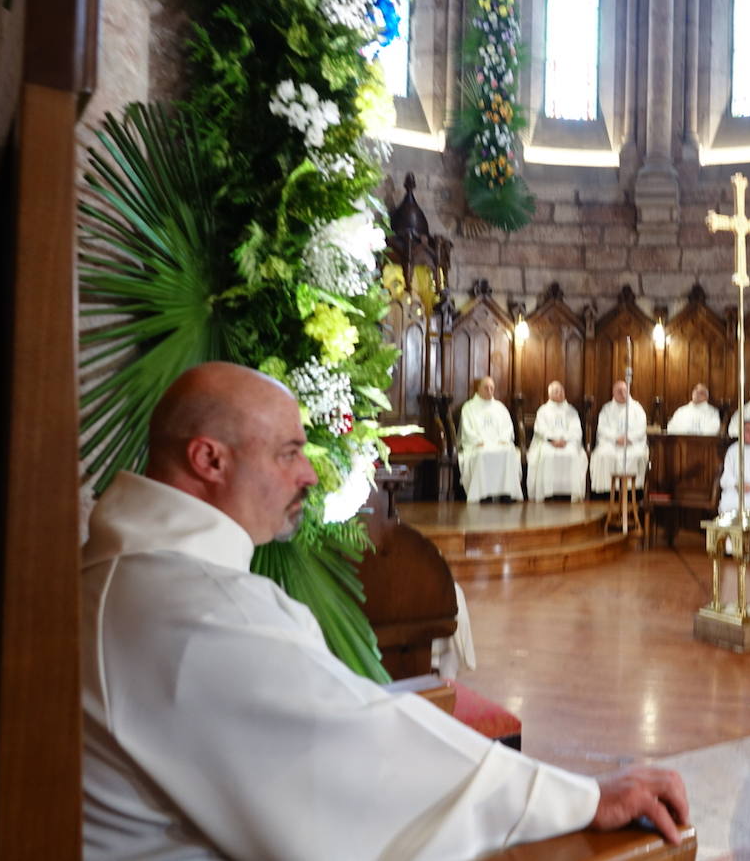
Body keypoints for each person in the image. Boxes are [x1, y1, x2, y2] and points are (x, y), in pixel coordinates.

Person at [81, 362, 688, 859]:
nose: (309, 475)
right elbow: (361, 763)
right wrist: (581, 799)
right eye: (289, 452)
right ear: (209, 460)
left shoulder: (133, 569)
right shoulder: (196, 611)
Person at [457, 375, 524, 502]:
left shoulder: (500, 407)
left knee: (509, 453)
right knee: (482, 454)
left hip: (499, 444)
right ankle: (483, 494)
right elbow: (467, 430)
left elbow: (508, 428)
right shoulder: (469, 407)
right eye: (486, 388)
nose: (489, 391)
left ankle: (507, 493)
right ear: (478, 389)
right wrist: (478, 441)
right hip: (479, 445)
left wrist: (503, 440)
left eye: (492, 388)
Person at [527, 381, 588, 502]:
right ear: (549, 394)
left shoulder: (571, 411)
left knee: (572, 454)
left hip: (567, 443)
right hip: (547, 442)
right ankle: (547, 492)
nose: (560, 393)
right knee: (546, 455)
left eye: (561, 391)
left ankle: (571, 492)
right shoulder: (543, 410)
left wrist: (564, 440)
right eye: (556, 391)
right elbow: (541, 429)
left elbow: (576, 429)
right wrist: (553, 440)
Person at [590, 379, 649, 492]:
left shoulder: (637, 408)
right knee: (603, 455)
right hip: (612, 443)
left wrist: (629, 438)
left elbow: (642, 428)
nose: (622, 394)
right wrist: (616, 439)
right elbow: (602, 428)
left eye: (624, 390)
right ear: (613, 393)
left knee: (638, 455)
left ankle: (635, 489)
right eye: (619, 391)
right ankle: (607, 489)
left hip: (633, 444)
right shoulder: (607, 409)